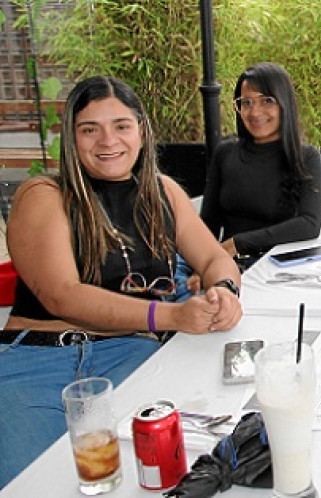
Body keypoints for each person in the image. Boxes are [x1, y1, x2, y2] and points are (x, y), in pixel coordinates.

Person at [0, 76, 243, 487]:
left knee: (157, 475)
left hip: (130, 357)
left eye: (121, 125)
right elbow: (63, 296)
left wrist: (224, 292)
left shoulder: (163, 192)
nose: (107, 140)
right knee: (32, 486)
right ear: (72, 139)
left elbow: (216, 257)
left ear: (142, 131)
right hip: (40, 362)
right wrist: (171, 315)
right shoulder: (44, 194)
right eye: (89, 129)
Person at [200, 62, 321, 268]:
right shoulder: (225, 153)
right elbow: (208, 224)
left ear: (284, 104)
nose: (255, 112)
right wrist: (204, 266)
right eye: (246, 102)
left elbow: (309, 224)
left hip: (281, 269)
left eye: (266, 101)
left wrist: (238, 243)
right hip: (230, 267)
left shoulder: (306, 157)